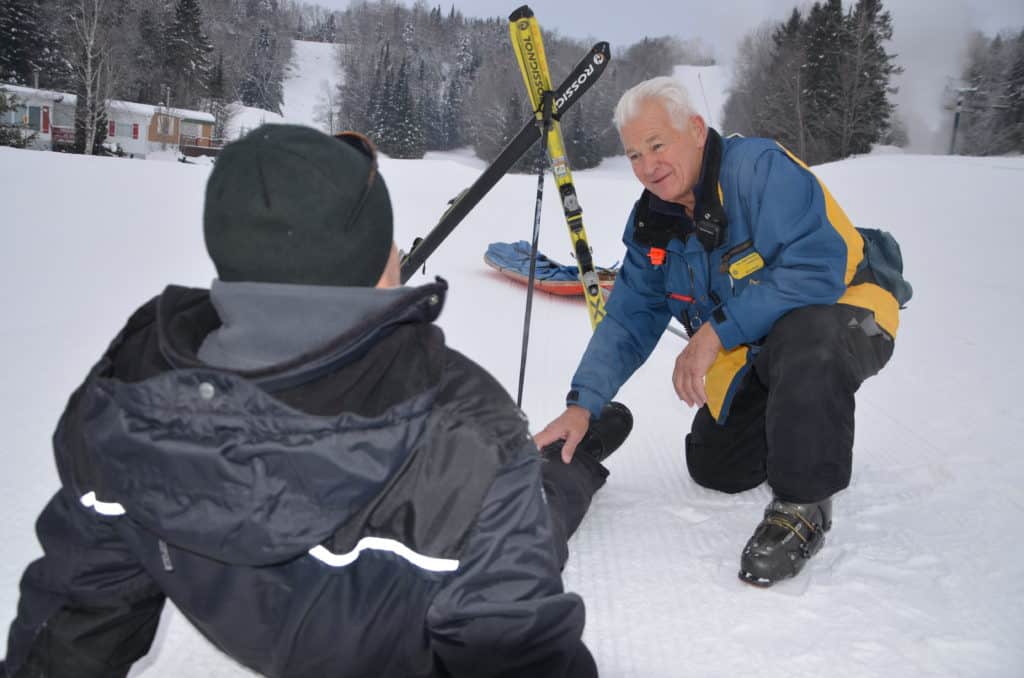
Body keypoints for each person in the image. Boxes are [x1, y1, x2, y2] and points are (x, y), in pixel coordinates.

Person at [1, 124, 632, 678]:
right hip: (468, 542)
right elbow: (516, 650)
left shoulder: (129, 399)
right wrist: (514, 471)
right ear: (382, 266)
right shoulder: (465, 437)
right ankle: (572, 457)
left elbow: (75, 620)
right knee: (545, 503)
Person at [535, 77, 911, 587]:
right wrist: (583, 405)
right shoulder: (655, 222)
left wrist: (713, 334)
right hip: (757, 341)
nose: (647, 166)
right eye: (633, 155)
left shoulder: (759, 170)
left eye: (656, 145)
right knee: (717, 467)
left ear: (694, 129)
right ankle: (798, 418)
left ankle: (802, 504)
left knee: (810, 338)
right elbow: (628, 317)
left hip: (847, 306)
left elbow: (817, 268)